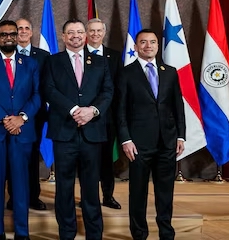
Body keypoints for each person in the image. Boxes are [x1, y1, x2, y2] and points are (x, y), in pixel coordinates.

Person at [40, 19, 113, 240]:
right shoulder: (53, 61)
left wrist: (92, 111)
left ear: (86, 35)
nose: (76, 36)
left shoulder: (100, 62)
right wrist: (73, 110)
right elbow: (48, 90)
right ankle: (67, 233)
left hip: (92, 133)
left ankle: (94, 234)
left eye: (80, 32)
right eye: (70, 32)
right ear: (63, 37)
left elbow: (108, 91)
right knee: (64, 188)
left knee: (91, 188)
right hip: (64, 133)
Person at [116, 29, 186, 240]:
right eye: (143, 42)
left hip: (167, 142)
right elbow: (120, 110)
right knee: (138, 192)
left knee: (165, 192)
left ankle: (166, 233)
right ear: (136, 46)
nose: (148, 46)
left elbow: (178, 106)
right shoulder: (126, 73)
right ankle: (139, 234)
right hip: (138, 144)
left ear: (158, 45)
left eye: (152, 42)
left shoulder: (170, 72)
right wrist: (126, 139)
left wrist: (181, 136)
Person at [0, 20, 41, 240]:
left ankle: (22, 232)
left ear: (18, 36)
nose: (9, 37)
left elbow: (37, 95)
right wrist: (5, 120)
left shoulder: (30, 63)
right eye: (4, 34)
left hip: (22, 132)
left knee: (21, 183)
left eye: (13, 33)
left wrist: (21, 118)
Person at [7, 18, 48, 211]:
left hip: (35, 116)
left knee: (32, 157)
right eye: (19, 28)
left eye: (26, 28)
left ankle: (33, 196)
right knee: (12, 157)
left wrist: (27, 114)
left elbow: (45, 87)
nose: (23, 31)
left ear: (31, 32)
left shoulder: (44, 56)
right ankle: (13, 197)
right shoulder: (7, 54)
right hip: (10, 117)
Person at [86, 17, 123, 209]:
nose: (95, 34)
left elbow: (118, 88)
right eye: (92, 30)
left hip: (107, 118)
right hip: (84, 118)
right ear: (86, 33)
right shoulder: (79, 54)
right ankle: (88, 197)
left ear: (104, 33)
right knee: (87, 161)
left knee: (107, 160)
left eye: (99, 30)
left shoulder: (114, 56)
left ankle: (108, 196)